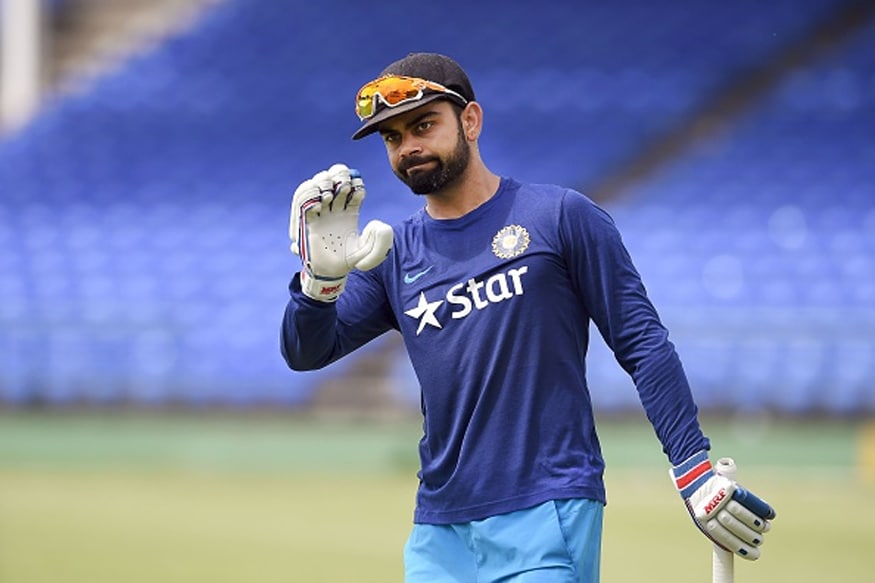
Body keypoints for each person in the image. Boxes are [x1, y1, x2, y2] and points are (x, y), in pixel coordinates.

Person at [281, 52, 776, 582]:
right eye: (393, 138)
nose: (409, 147)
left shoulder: (560, 217)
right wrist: (320, 284)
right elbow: (307, 352)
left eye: (424, 125)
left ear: (470, 120)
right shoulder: (394, 254)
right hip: (439, 533)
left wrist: (692, 469)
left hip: (547, 511)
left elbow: (643, 344)